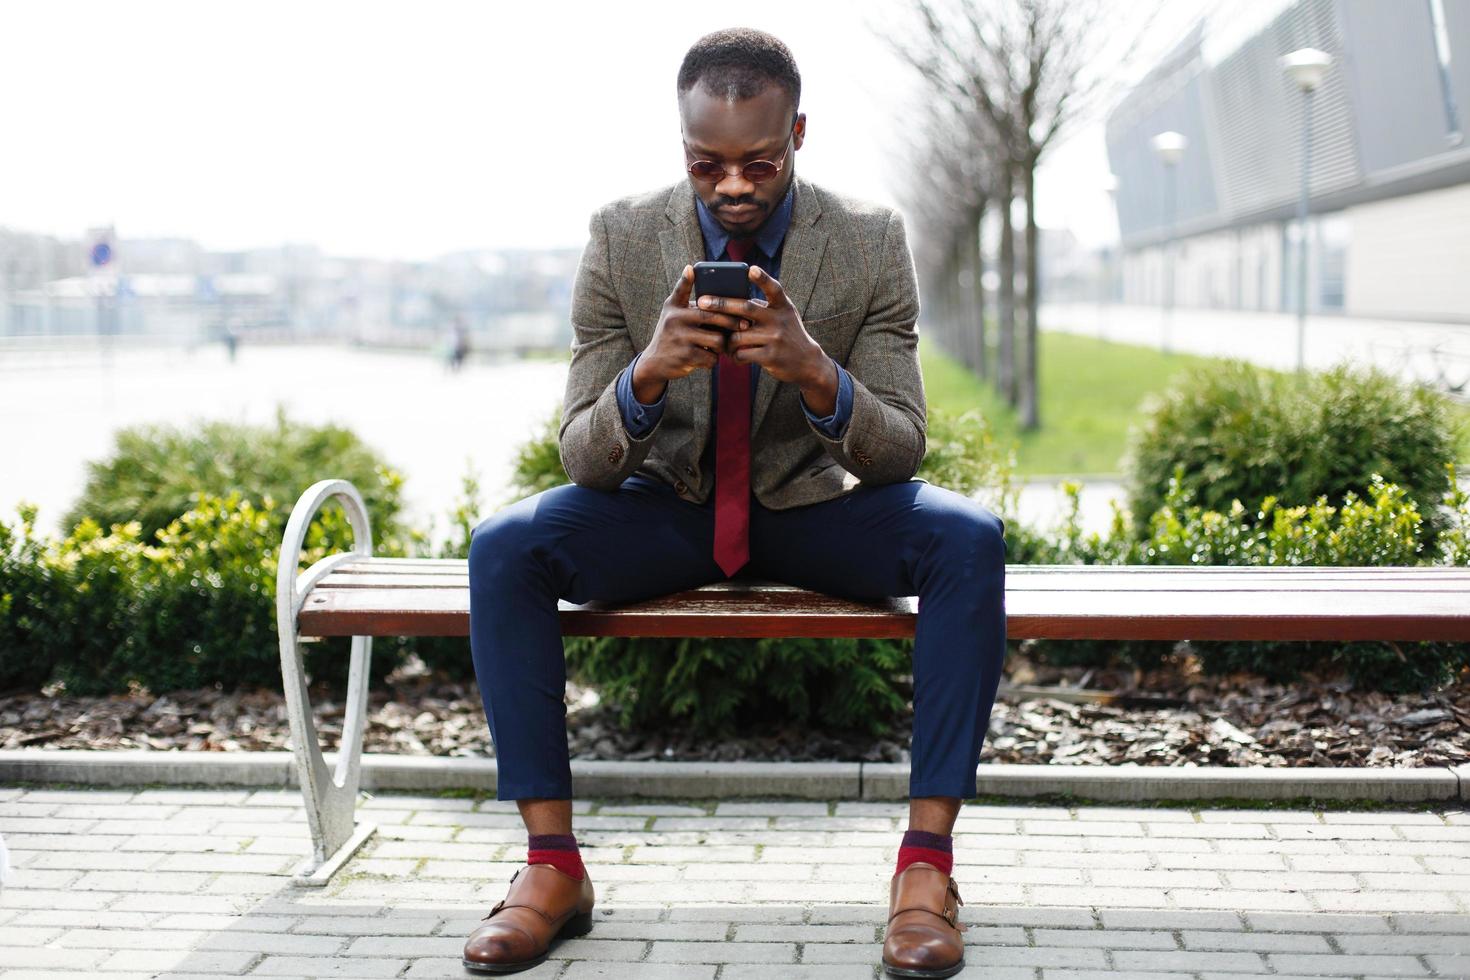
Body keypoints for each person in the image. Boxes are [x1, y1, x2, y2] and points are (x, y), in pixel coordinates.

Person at [463, 28, 1006, 979]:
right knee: (505, 546)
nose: (733, 187)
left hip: (807, 510)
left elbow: (902, 447)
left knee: (967, 538)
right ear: (681, 146)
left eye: (759, 160)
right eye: (705, 164)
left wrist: (816, 373)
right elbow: (581, 454)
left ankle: (926, 872)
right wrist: (645, 375)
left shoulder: (869, 240)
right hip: (666, 506)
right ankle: (551, 867)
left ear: (798, 132)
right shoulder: (621, 236)